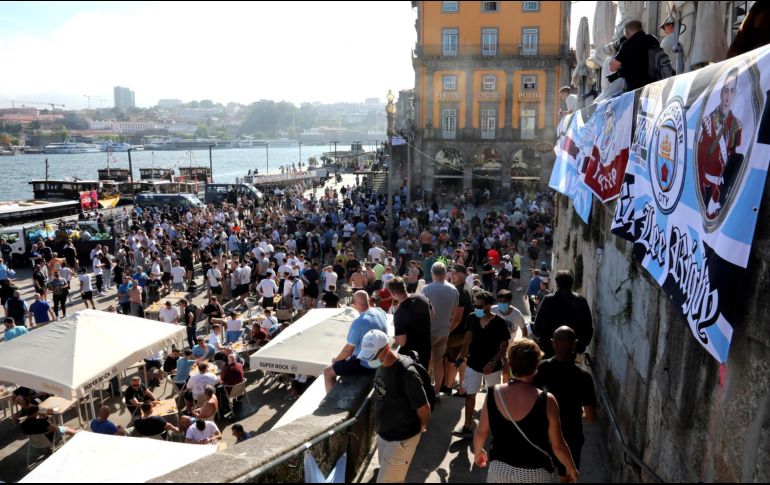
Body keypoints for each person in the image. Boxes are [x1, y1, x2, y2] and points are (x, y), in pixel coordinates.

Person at [472, 339, 579, 483]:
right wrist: (571, 468)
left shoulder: (493, 393)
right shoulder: (547, 400)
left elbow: (481, 433)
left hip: (499, 470)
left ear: (510, 364)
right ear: (536, 365)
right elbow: (558, 445)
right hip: (535, 473)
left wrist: (478, 453)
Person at [358, 329, 430, 483]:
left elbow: (423, 408)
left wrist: (421, 427)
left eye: (373, 356)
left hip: (401, 440)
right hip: (384, 435)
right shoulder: (381, 364)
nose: (370, 361)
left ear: (386, 349)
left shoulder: (406, 373)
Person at [533, 326, 597, 481]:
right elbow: (591, 416)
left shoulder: (540, 369)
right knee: (568, 476)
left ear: (552, 343)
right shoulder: (583, 377)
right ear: (574, 344)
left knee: (539, 473)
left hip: (542, 432)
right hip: (571, 435)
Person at [454, 291, 510, 437]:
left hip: (493, 368)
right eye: (475, 305)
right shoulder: (472, 318)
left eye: (480, 306)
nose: (477, 308)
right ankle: (467, 427)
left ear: (489, 306)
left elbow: (504, 345)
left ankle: (491, 425)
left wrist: (493, 362)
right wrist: (462, 355)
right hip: (473, 364)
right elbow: (468, 337)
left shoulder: (499, 323)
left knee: (492, 397)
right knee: (470, 394)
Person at [696, 68, 743, 220]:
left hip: (723, 189)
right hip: (706, 188)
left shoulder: (737, 125)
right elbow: (699, 160)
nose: (728, 97)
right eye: (725, 91)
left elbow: (734, 156)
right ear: (720, 93)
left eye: (732, 91)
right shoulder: (707, 122)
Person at [323, 290, 388, 393]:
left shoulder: (359, 322)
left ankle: (330, 404)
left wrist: (336, 360)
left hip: (366, 363)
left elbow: (348, 350)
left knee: (327, 371)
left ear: (354, 303)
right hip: (381, 357)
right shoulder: (379, 311)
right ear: (368, 300)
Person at [533, 271, 593, 358]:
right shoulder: (580, 300)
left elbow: (537, 326)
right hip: (571, 351)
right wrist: (579, 346)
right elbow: (588, 327)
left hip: (550, 349)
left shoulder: (548, 300)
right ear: (571, 284)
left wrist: (546, 341)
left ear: (557, 284)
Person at [420, 262, 459, 396]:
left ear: (432, 273)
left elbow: (422, 312)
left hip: (430, 332)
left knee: (425, 361)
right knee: (438, 362)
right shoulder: (454, 290)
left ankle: (425, 389)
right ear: (445, 274)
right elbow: (454, 313)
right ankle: (436, 391)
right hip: (444, 331)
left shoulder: (426, 289)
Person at [387, 276, 432, 370]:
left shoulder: (399, 314)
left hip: (411, 356)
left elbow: (402, 342)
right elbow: (433, 314)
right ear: (404, 286)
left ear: (393, 294)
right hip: (426, 347)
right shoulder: (422, 297)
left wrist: (394, 338)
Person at [609, 19, 661, 92]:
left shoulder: (628, 45)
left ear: (627, 33)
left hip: (634, 91)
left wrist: (615, 50)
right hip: (654, 87)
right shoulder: (653, 40)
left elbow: (612, 67)